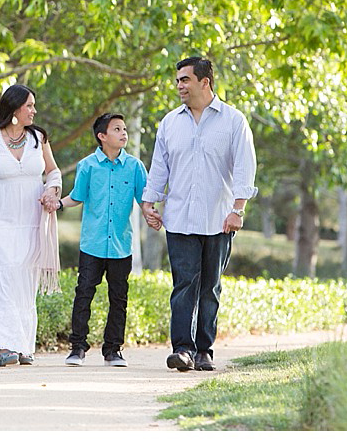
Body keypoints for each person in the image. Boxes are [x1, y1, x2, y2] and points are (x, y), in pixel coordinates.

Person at [141, 56, 257, 372]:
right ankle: (182, 349)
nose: (179, 85)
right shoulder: (170, 123)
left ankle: (204, 350)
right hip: (179, 218)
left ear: (204, 81)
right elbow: (159, 167)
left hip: (219, 219)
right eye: (178, 80)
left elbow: (246, 169)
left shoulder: (234, 121)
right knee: (183, 285)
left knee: (210, 287)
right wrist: (149, 203)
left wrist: (238, 210)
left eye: (185, 79)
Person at [0, 83, 62, 367]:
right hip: (1, 222)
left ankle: (23, 345)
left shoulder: (39, 138)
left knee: (26, 282)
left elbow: (53, 171)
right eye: (29, 106)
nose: (34, 111)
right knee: (4, 279)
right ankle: (5, 345)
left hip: (33, 223)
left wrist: (52, 190)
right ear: (14, 109)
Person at [60, 113, 148, 368]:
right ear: (102, 136)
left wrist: (153, 215)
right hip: (93, 243)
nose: (124, 133)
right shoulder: (87, 166)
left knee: (118, 298)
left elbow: (144, 200)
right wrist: (56, 204)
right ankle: (77, 348)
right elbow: (77, 196)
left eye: (124, 129)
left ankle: (113, 350)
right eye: (117, 129)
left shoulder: (135, 167)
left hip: (121, 244)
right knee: (84, 294)